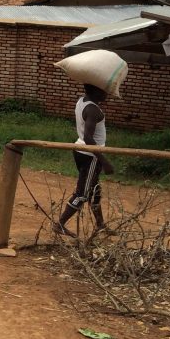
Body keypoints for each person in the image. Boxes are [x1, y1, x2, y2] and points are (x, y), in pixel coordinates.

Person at [53, 84, 114, 236]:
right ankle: (60, 224)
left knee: (95, 190)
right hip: (91, 156)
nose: (107, 93)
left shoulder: (82, 101)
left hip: (81, 151)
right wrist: (104, 161)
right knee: (83, 193)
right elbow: (88, 137)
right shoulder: (93, 110)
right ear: (96, 91)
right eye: (104, 90)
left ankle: (100, 225)